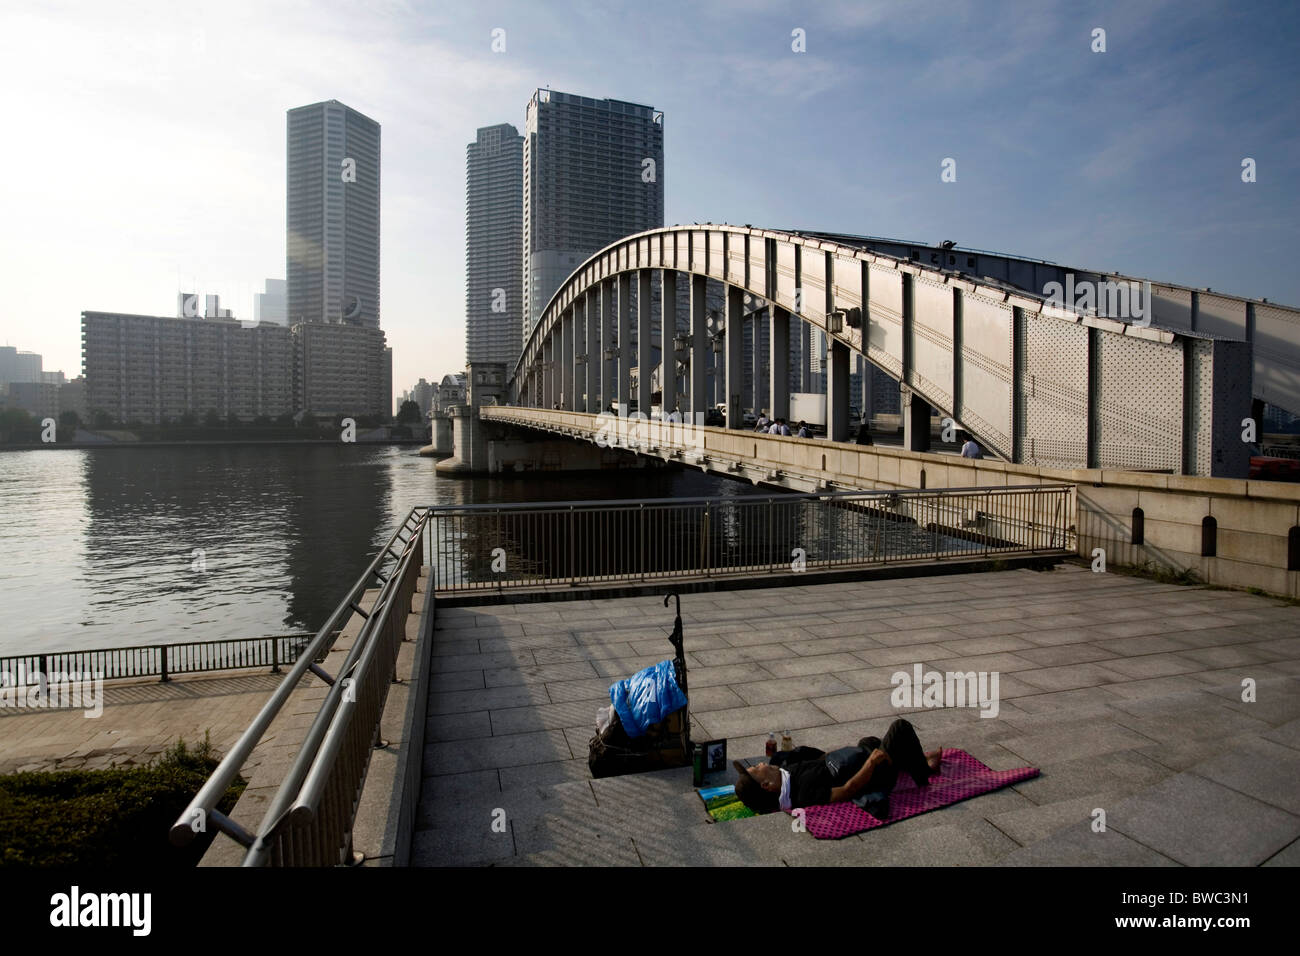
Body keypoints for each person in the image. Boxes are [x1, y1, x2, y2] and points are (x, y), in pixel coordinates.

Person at [732, 718, 942, 819]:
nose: (759, 764)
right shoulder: (801, 792)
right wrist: (871, 763)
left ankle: (912, 760)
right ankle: (924, 771)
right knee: (900, 727)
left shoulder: (785, 774)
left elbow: (819, 759)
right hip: (872, 775)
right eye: (755, 770)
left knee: (868, 740)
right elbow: (847, 790)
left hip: (852, 759)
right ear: (767, 785)